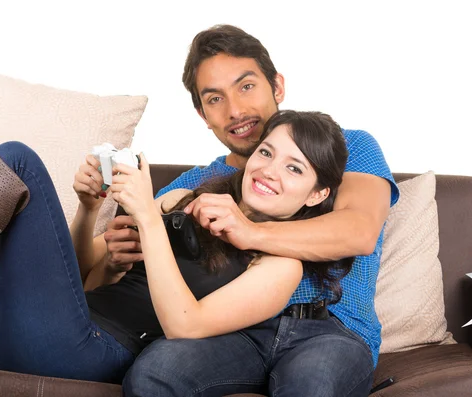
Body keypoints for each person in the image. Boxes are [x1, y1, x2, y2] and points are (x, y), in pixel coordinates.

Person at [0, 110, 351, 397]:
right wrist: (88, 209)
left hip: (90, 352)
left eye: (294, 168)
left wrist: (147, 217)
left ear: (316, 195)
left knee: (18, 162)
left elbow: (186, 326)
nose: (270, 171)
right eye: (266, 153)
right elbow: (81, 279)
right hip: (43, 330)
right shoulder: (185, 199)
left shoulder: (282, 266)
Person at [115, 25, 400, 396]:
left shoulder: (347, 148)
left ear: (277, 87)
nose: (236, 110)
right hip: (232, 330)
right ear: (202, 114)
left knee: (311, 384)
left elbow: (359, 231)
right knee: (155, 371)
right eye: (215, 99)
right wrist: (119, 246)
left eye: (246, 86)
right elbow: (138, 253)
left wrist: (250, 232)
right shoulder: (197, 182)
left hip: (329, 328)